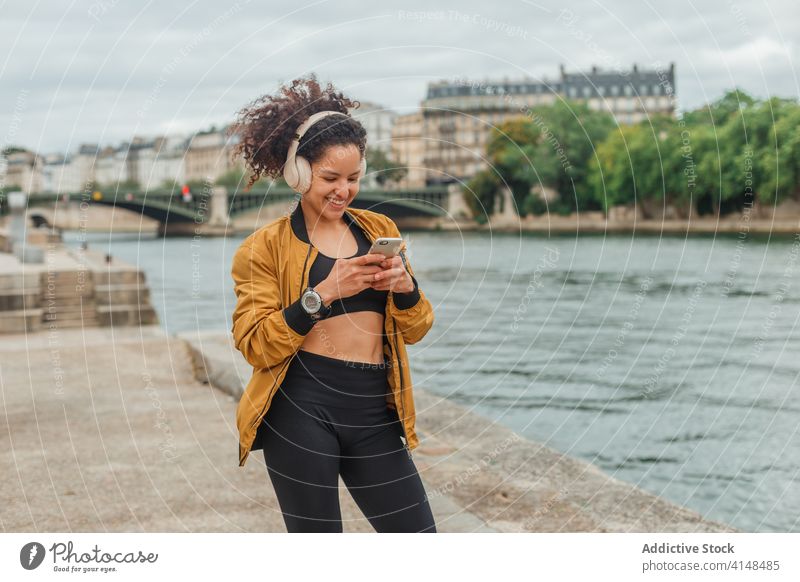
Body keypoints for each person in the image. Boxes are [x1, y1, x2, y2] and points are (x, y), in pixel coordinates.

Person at [228, 74, 436, 533]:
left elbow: (418, 329)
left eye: (354, 178)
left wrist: (405, 288)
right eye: (330, 178)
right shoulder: (262, 249)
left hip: (375, 411)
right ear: (298, 173)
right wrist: (322, 294)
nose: (344, 190)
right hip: (300, 408)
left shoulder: (377, 227)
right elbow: (255, 345)